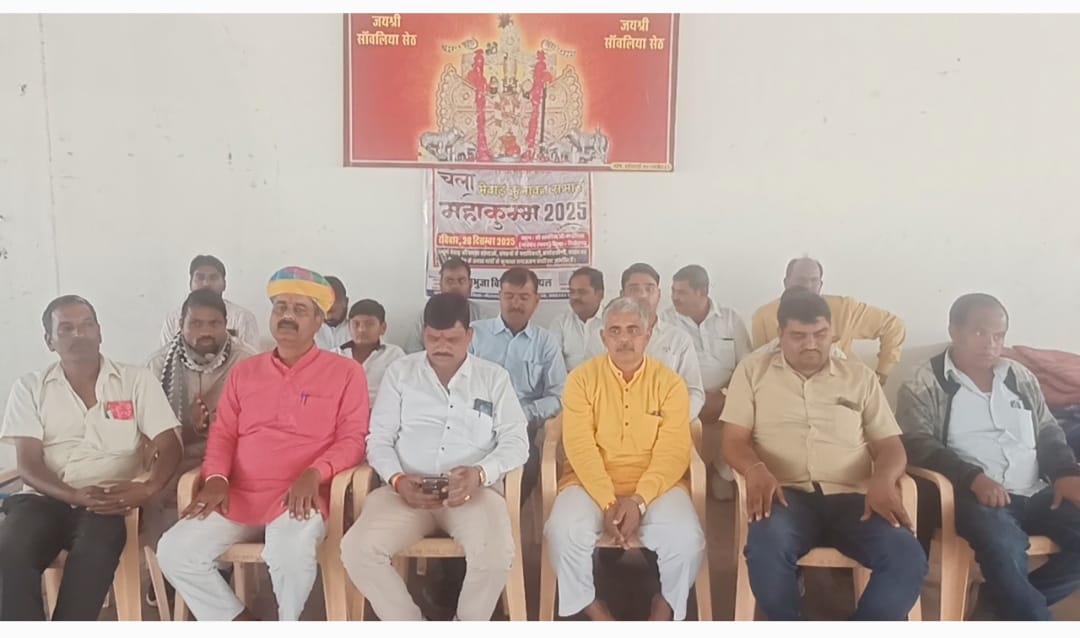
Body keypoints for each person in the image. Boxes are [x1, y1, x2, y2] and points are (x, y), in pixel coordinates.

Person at [156, 266, 369, 621]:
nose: (287, 316)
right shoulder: (245, 371)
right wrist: (216, 477)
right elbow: (224, 434)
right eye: (280, 307)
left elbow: (352, 440)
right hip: (237, 493)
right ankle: (239, 621)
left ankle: (288, 622)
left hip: (301, 495)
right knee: (174, 551)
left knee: (289, 550)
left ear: (319, 321)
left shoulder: (346, 373)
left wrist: (315, 473)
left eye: (300, 309)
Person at [721, 288, 926, 621]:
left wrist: (883, 480)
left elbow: (890, 445)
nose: (811, 344)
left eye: (820, 334)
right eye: (798, 336)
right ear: (780, 335)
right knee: (765, 550)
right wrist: (755, 468)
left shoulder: (859, 377)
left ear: (833, 333)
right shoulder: (752, 371)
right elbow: (733, 440)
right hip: (785, 497)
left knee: (907, 556)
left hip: (854, 500)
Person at [340, 293, 528, 621]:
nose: (441, 346)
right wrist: (397, 479)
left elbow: (517, 442)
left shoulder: (493, 377)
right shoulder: (401, 372)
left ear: (469, 335)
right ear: (423, 333)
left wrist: (481, 473)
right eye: (433, 338)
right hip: (406, 492)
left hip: (472, 493)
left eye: (452, 339)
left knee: (496, 555)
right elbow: (379, 439)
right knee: (357, 550)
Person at [897, 293, 1080, 620]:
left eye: (999, 335)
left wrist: (1065, 473)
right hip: (974, 495)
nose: (990, 344)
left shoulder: (1018, 376)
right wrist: (972, 478)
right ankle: (1029, 619)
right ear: (955, 331)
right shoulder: (924, 380)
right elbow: (917, 443)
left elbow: (1047, 429)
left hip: (1035, 490)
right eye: (980, 332)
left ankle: (1000, 606)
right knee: (1004, 546)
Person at [0, 295, 182, 620]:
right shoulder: (29, 387)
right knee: (9, 550)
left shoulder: (135, 380)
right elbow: (28, 464)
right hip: (44, 500)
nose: (78, 334)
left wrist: (148, 488)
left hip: (110, 502)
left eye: (86, 325)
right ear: (49, 341)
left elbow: (170, 444)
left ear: (100, 332)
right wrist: (73, 496)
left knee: (96, 548)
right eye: (66, 328)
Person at [544, 297, 704, 621]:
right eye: (615, 331)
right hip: (589, 484)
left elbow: (673, 452)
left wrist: (639, 501)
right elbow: (580, 447)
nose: (624, 339)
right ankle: (595, 609)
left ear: (648, 335)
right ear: (603, 337)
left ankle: (664, 607)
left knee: (687, 539)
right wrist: (607, 501)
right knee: (561, 531)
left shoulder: (670, 383)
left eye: (633, 330)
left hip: (657, 487)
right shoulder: (581, 380)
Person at [144, 288, 257, 604]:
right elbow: (150, 430)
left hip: (234, 455)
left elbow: (260, 425)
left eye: (214, 323)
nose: (205, 332)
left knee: (224, 488)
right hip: (178, 452)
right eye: (196, 323)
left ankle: (215, 568)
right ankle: (170, 569)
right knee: (156, 491)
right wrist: (188, 428)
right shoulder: (158, 365)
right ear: (181, 324)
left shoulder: (248, 362)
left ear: (226, 324)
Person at [469, 267, 566, 501]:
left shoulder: (546, 342)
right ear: (499, 297)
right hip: (474, 423)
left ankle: (505, 514)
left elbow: (559, 396)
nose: (516, 304)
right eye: (509, 296)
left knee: (528, 468)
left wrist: (523, 413)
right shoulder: (475, 334)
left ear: (536, 301)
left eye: (524, 297)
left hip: (521, 426)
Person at [750, 257, 905, 384]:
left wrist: (881, 375)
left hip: (843, 391)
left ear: (821, 285)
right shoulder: (763, 316)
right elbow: (760, 368)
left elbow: (893, 325)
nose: (807, 286)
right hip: (787, 392)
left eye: (814, 280)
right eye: (801, 280)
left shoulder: (844, 309)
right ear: (786, 282)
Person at [620, 263, 704, 419]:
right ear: (622, 295)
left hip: (667, 421)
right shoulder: (603, 337)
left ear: (658, 295)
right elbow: (590, 387)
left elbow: (694, 391)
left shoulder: (678, 339)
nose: (642, 295)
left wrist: (675, 421)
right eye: (634, 289)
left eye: (649, 289)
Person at [160, 254, 260, 349]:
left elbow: (252, 358)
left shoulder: (242, 318)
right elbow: (166, 357)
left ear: (224, 284)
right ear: (190, 283)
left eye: (213, 278)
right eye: (200, 278)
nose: (206, 284)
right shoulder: (173, 319)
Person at [405, 257, 495, 353]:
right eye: (449, 281)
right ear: (440, 285)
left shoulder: (485, 318)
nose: (455, 286)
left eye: (461, 281)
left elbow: (491, 353)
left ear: (470, 285)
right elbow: (412, 354)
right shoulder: (424, 317)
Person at [338, 299, 405, 405]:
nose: (361, 329)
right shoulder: (335, 355)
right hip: (341, 411)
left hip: (381, 411)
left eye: (369, 324)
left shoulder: (395, 355)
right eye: (356, 324)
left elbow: (403, 391)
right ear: (349, 327)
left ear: (383, 328)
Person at [550, 266, 605, 371]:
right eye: (572, 292)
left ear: (599, 295)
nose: (575, 297)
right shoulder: (561, 322)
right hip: (569, 379)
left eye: (582, 292)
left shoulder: (612, 322)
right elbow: (553, 363)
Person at [315, 275, 351, 352]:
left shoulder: (360, 326)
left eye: (332, 311)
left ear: (346, 302)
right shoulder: (308, 327)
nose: (327, 317)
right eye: (323, 311)